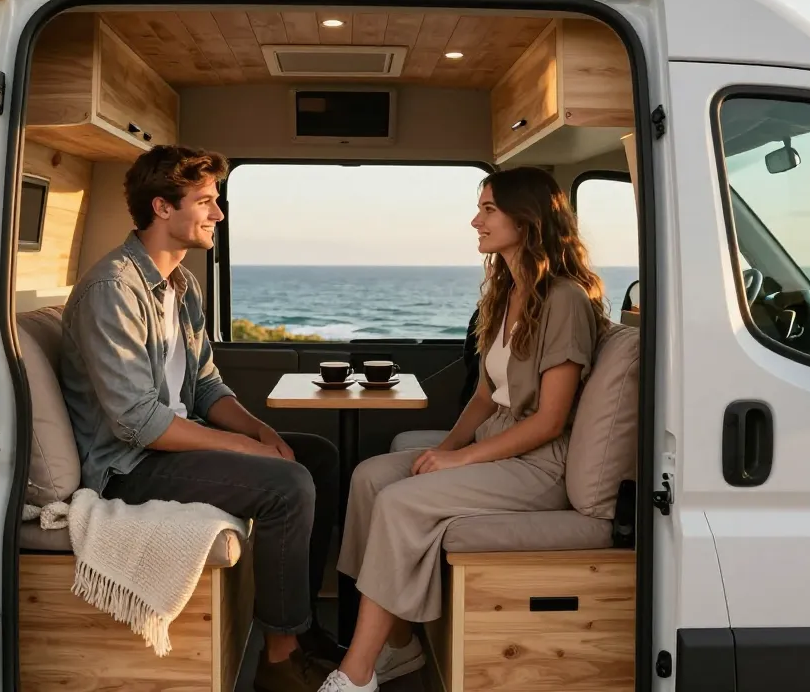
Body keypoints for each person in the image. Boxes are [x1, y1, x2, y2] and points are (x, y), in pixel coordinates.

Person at [316, 166, 612, 692]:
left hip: (540, 465)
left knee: (399, 502)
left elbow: (550, 420)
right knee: (370, 478)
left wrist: (458, 461)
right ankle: (399, 644)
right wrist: (444, 451)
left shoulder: (564, 300)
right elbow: (483, 397)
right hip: (498, 444)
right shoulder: (507, 292)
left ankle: (354, 675)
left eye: (489, 209)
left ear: (526, 219)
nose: (476, 221)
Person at [57, 144, 341, 692]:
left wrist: (261, 431)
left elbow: (206, 385)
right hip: (129, 466)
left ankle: (301, 632)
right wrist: (246, 450)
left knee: (318, 457)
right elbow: (138, 422)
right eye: (206, 201)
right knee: (287, 486)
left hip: (171, 446)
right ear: (163, 207)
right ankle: (279, 662)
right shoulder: (112, 290)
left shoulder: (181, 287)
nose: (218, 214)